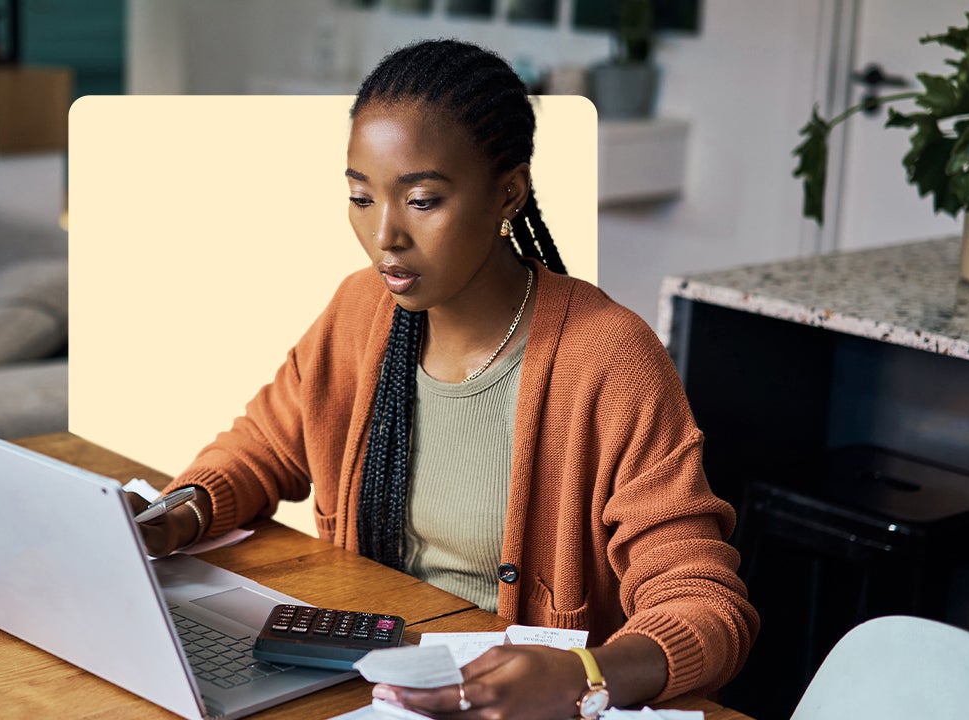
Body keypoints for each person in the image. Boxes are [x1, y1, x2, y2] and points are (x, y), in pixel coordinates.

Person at [128, 38, 759, 719]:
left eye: (422, 200)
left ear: (507, 193)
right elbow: (261, 447)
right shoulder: (360, 310)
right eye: (360, 198)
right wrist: (175, 514)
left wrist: (582, 675)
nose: (385, 235)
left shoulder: (609, 358)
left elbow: (705, 605)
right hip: (373, 686)